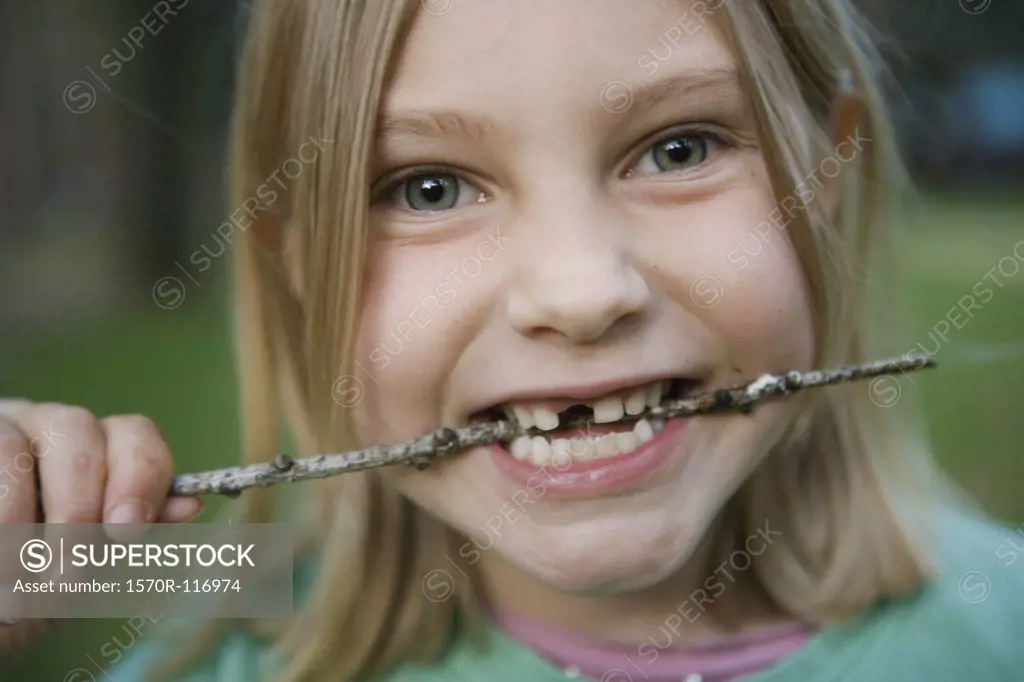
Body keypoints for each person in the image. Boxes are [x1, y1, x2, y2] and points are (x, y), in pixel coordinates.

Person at [3, 1, 1022, 680]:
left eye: (678, 148)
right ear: (301, 266)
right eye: (428, 187)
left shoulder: (996, 627)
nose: (580, 293)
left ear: (825, 174)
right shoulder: (219, 640)